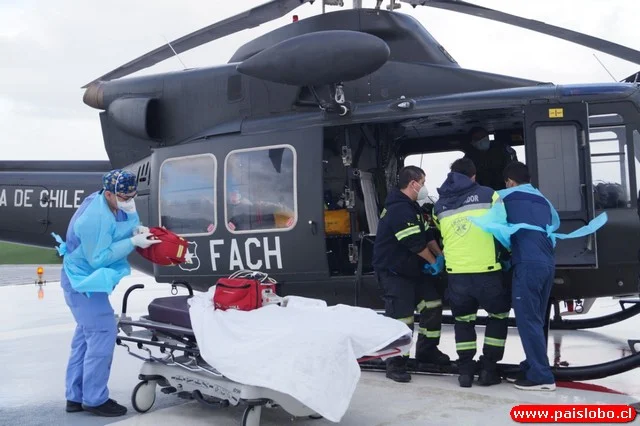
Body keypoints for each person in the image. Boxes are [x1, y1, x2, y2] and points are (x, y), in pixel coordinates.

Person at [52, 169, 160, 416]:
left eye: (132, 195)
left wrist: (136, 229)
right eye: (124, 197)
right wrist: (133, 243)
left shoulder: (114, 202)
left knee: (85, 335)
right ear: (109, 193)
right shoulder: (93, 217)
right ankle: (95, 399)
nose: (129, 200)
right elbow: (99, 258)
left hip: (89, 283)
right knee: (102, 330)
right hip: (82, 283)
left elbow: (120, 228)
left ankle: (76, 396)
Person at [432, 158, 511, 388]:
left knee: (463, 322)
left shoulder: (439, 205)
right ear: (473, 176)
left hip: (457, 275)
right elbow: (502, 229)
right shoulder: (489, 195)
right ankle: (488, 370)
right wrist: (506, 257)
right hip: (487, 272)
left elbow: (442, 233)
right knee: (498, 316)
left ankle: (465, 372)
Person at [372, 165, 450, 383]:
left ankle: (427, 352)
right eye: (423, 183)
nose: (424, 187)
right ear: (413, 183)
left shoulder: (412, 207)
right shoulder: (398, 208)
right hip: (394, 272)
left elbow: (427, 235)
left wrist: (441, 256)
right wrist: (434, 262)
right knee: (401, 318)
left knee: (433, 304)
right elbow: (413, 243)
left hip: (412, 270)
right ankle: (395, 363)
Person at [501, 161, 557, 391]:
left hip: (528, 265)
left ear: (510, 182)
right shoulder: (542, 199)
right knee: (537, 318)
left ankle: (542, 376)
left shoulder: (507, 198)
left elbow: (496, 227)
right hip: (547, 263)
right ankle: (533, 364)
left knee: (528, 319)